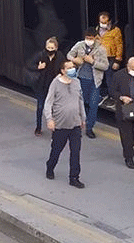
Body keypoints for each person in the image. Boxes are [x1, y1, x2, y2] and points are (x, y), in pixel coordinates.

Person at [44, 60, 86, 189]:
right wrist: (49, 119)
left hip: (75, 124)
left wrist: (83, 118)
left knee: (75, 152)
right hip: (60, 124)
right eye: (69, 68)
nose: (72, 69)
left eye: (73, 67)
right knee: (56, 150)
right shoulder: (55, 84)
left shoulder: (77, 82)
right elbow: (48, 102)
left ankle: (74, 178)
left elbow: (80, 101)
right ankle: (50, 166)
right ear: (62, 71)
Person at [67, 28, 108, 139]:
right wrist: (75, 60)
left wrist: (93, 62)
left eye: (91, 38)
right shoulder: (80, 45)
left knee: (93, 105)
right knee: (81, 103)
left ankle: (89, 128)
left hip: (95, 81)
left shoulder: (101, 49)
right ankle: (79, 124)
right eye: (87, 38)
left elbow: (105, 66)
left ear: (95, 38)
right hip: (80, 78)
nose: (88, 40)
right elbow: (69, 55)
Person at [31, 37, 66, 136]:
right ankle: (38, 127)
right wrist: (38, 67)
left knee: (55, 109)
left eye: (52, 48)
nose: (50, 50)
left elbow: (64, 67)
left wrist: (61, 74)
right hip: (42, 86)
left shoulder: (60, 56)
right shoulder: (41, 55)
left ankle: (55, 129)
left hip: (55, 87)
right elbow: (30, 65)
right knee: (40, 107)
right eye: (48, 47)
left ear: (56, 48)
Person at [97, 11, 123, 109]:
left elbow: (119, 45)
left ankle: (114, 98)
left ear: (109, 21)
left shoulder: (115, 31)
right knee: (101, 78)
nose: (102, 24)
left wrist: (117, 60)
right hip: (100, 58)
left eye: (105, 22)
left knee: (110, 79)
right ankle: (104, 95)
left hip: (111, 58)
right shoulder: (97, 30)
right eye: (101, 22)